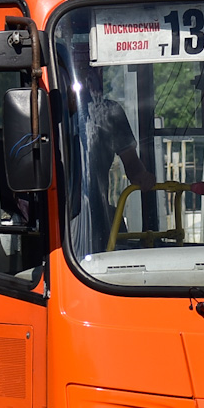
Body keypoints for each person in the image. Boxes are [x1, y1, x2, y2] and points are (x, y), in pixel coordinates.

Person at [66, 44, 156, 254]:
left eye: (98, 70)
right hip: (61, 216)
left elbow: (132, 163)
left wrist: (142, 176)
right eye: (85, 72)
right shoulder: (50, 110)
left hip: (98, 217)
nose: (94, 78)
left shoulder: (110, 112)